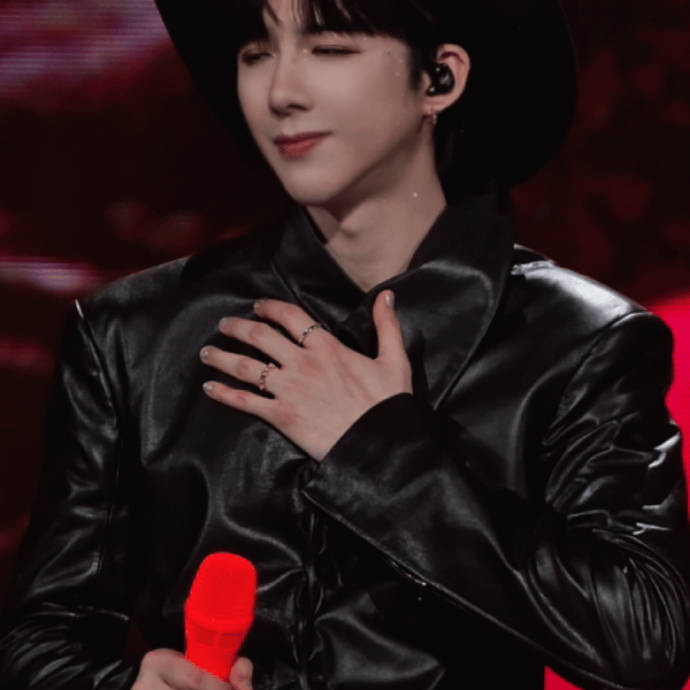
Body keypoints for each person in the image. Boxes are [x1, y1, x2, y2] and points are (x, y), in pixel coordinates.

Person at [1, 0, 689, 688]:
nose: (280, 91)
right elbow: (39, 641)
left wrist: (378, 452)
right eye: (256, 52)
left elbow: (646, 643)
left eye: (328, 47)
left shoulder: (579, 343)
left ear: (439, 79)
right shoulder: (133, 332)